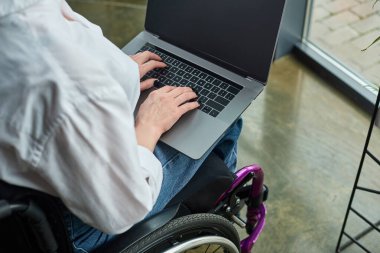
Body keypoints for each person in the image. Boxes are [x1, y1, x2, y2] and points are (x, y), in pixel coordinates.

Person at [0, 0, 242, 252]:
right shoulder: (66, 81)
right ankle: (212, 213)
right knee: (223, 121)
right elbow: (121, 210)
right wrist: (148, 127)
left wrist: (111, 70)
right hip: (72, 225)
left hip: (26, 192)